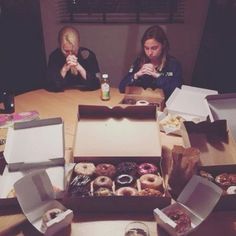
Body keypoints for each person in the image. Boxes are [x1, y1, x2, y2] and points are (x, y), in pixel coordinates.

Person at [119, 25, 182, 99]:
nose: (150, 52)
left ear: (163, 45)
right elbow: (121, 88)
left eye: (154, 48)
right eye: (146, 48)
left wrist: (157, 75)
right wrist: (136, 75)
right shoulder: (140, 61)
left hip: (162, 105)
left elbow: (177, 94)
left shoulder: (173, 64)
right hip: (141, 103)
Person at [46, 26, 101, 91]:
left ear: (78, 44)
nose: (70, 54)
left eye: (73, 50)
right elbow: (50, 86)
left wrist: (80, 69)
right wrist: (64, 69)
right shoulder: (54, 57)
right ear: (59, 45)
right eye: (66, 51)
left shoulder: (87, 55)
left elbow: (98, 83)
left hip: (86, 97)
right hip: (61, 98)